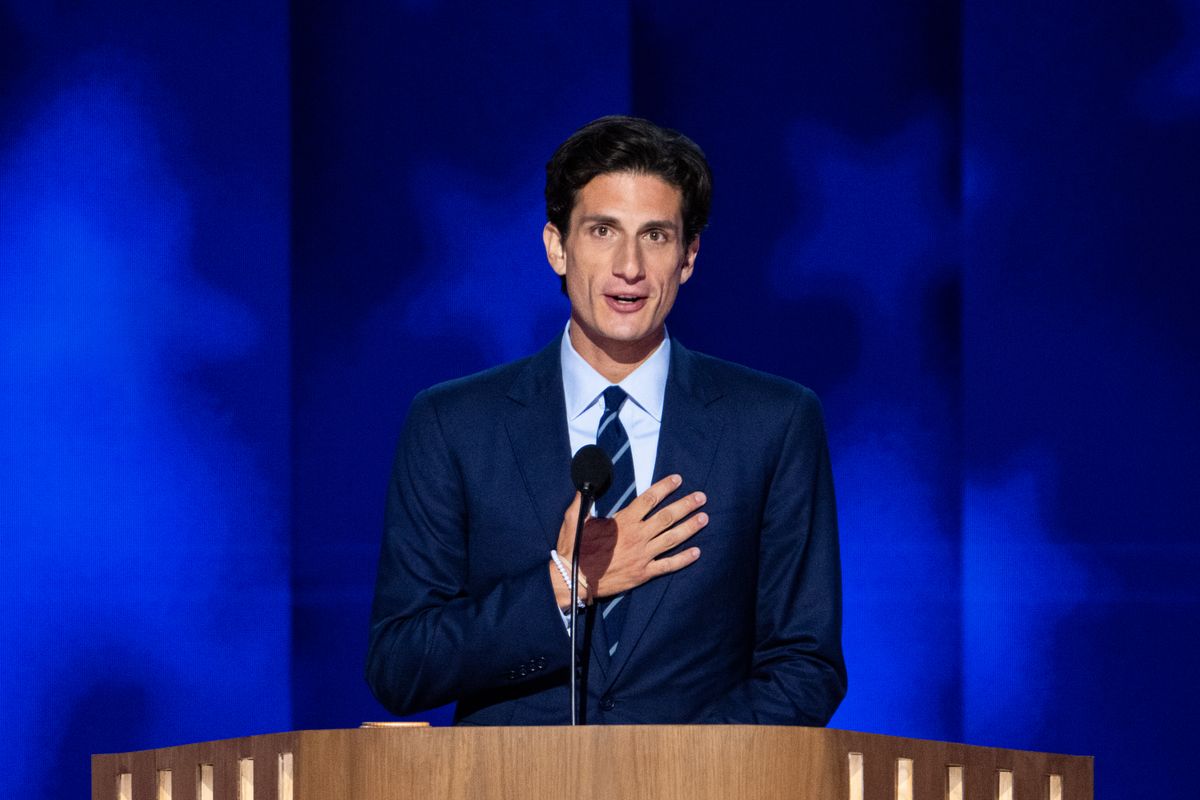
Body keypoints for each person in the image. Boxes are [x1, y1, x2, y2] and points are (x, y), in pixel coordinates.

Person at [366, 116, 846, 725]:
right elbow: (400, 665)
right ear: (557, 247)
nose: (630, 267)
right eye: (602, 231)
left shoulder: (774, 423)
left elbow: (805, 665)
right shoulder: (452, 424)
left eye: (655, 235)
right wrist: (565, 586)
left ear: (689, 256)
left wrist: (671, 782)